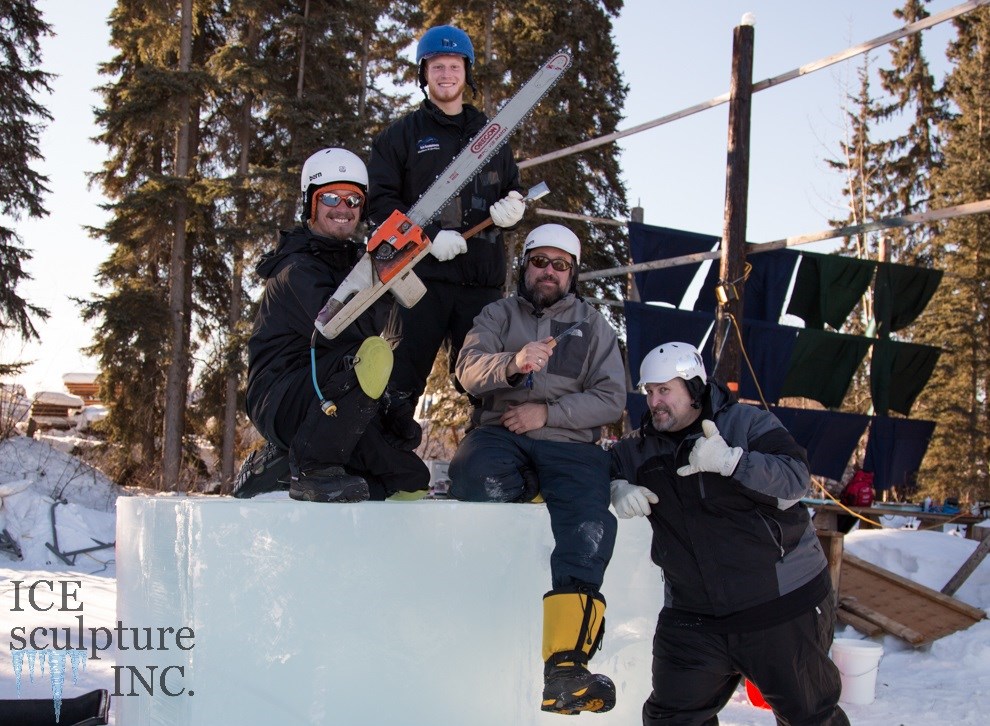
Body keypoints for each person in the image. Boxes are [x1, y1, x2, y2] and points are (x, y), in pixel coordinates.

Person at [609, 342, 849, 726]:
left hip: (779, 605)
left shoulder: (747, 424)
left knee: (810, 717)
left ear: (694, 387)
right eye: (649, 391)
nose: (654, 401)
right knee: (671, 719)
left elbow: (795, 478)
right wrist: (615, 484)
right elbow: (597, 465)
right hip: (693, 616)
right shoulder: (639, 448)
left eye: (664, 390)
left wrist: (733, 462)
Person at [449, 223, 626, 715]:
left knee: (587, 528)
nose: (549, 272)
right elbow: (467, 370)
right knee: (471, 475)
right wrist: (512, 363)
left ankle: (566, 668)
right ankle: (532, 487)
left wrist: (549, 414)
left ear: (573, 274)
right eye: (540, 261)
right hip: (503, 433)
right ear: (524, 265)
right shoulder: (497, 314)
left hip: (571, 445)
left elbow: (611, 397)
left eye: (560, 265)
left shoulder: (594, 326)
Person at [238, 147, 430, 503]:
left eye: (354, 200)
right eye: (330, 197)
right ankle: (311, 469)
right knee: (367, 354)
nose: (343, 209)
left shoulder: (354, 263)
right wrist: (382, 276)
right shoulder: (296, 269)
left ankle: (280, 468)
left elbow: (387, 333)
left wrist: (388, 407)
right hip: (282, 397)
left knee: (410, 480)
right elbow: (340, 329)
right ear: (312, 203)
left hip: (331, 397)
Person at [367, 24, 526, 409]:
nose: (446, 74)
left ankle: (487, 463)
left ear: (466, 71)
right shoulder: (401, 136)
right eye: (437, 66)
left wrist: (513, 210)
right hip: (420, 280)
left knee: (488, 387)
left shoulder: (492, 134)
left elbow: (511, 187)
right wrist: (428, 235)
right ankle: (386, 462)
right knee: (399, 384)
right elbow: (381, 202)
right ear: (424, 73)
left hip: (481, 283)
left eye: (454, 65)